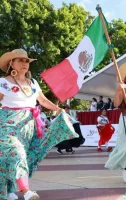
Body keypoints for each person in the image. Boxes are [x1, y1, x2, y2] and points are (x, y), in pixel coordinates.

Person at [0, 49, 78, 200]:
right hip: (7, 125)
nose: (24, 63)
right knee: (16, 153)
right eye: (20, 60)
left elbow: (42, 100)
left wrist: (58, 109)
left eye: (26, 61)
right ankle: (26, 191)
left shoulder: (33, 83)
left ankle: (9, 190)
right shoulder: (3, 83)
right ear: (11, 64)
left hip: (30, 126)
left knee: (23, 156)